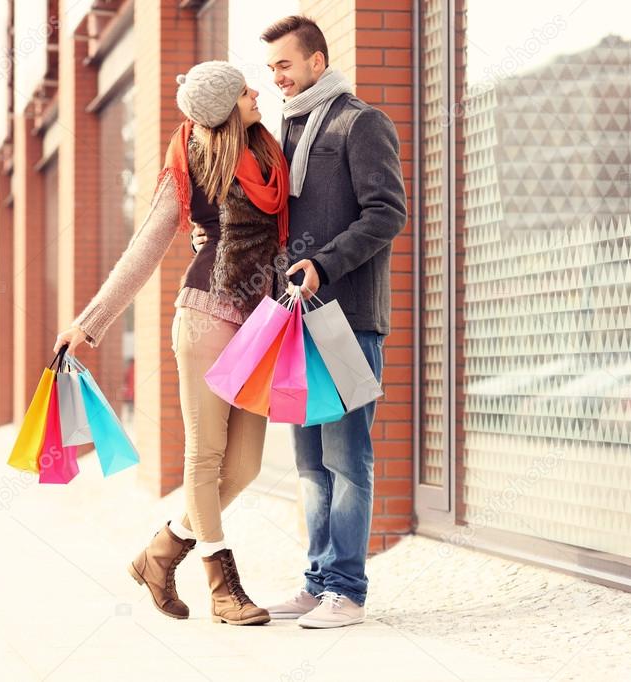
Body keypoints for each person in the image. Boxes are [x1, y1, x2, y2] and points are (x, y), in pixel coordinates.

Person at [54, 61, 291, 626]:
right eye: (243, 89)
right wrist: (89, 322)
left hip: (260, 322)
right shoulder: (190, 163)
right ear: (223, 106)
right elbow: (146, 248)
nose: (256, 90)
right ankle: (223, 587)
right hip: (206, 314)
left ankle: (159, 554)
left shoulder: (270, 155)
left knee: (246, 465)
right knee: (204, 456)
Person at [194, 16, 408, 629]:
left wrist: (324, 261)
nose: (277, 77)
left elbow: (387, 212)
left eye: (285, 65)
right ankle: (317, 582)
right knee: (310, 465)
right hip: (292, 321)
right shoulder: (278, 131)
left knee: (346, 459)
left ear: (317, 61)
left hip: (348, 319)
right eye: (271, 69)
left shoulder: (359, 122)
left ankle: (348, 590)